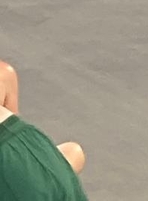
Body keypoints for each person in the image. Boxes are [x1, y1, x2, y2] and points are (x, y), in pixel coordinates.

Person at [0, 59, 88, 200]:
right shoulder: (3, 73)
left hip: (17, 157)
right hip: (29, 144)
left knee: (73, 153)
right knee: (73, 152)